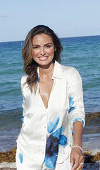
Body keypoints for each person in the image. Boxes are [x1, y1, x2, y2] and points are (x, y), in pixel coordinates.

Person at [16, 25, 85, 170]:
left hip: (62, 154)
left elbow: (77, 112)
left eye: (47, 46)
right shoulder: (26, 82)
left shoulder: (70, 75)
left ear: (55, 48)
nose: (42, 52)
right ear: (31, 50)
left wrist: (77, 146)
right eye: (36, 47)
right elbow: (26, 117)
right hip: (27, 155)